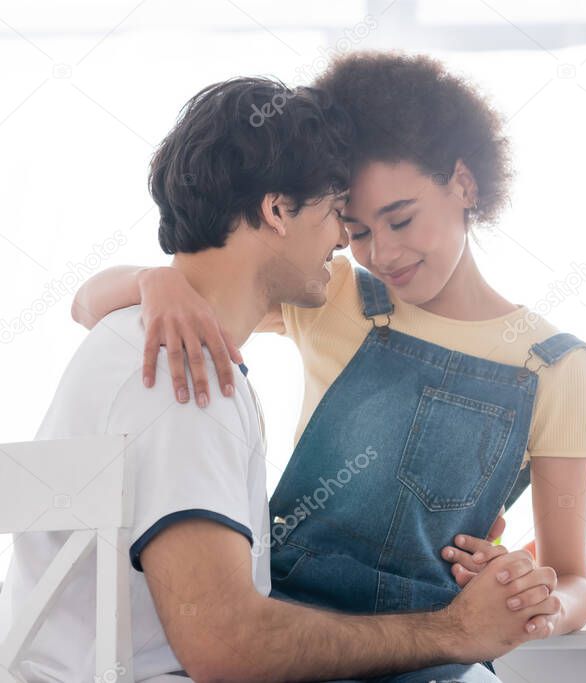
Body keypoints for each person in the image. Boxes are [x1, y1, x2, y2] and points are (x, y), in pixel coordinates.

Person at [4, 76, 557, 683]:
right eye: (334, 211)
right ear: (276, 211)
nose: (344, 238)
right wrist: (454, 633)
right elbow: (227, 646)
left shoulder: (137, 335)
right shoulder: (186, 370)